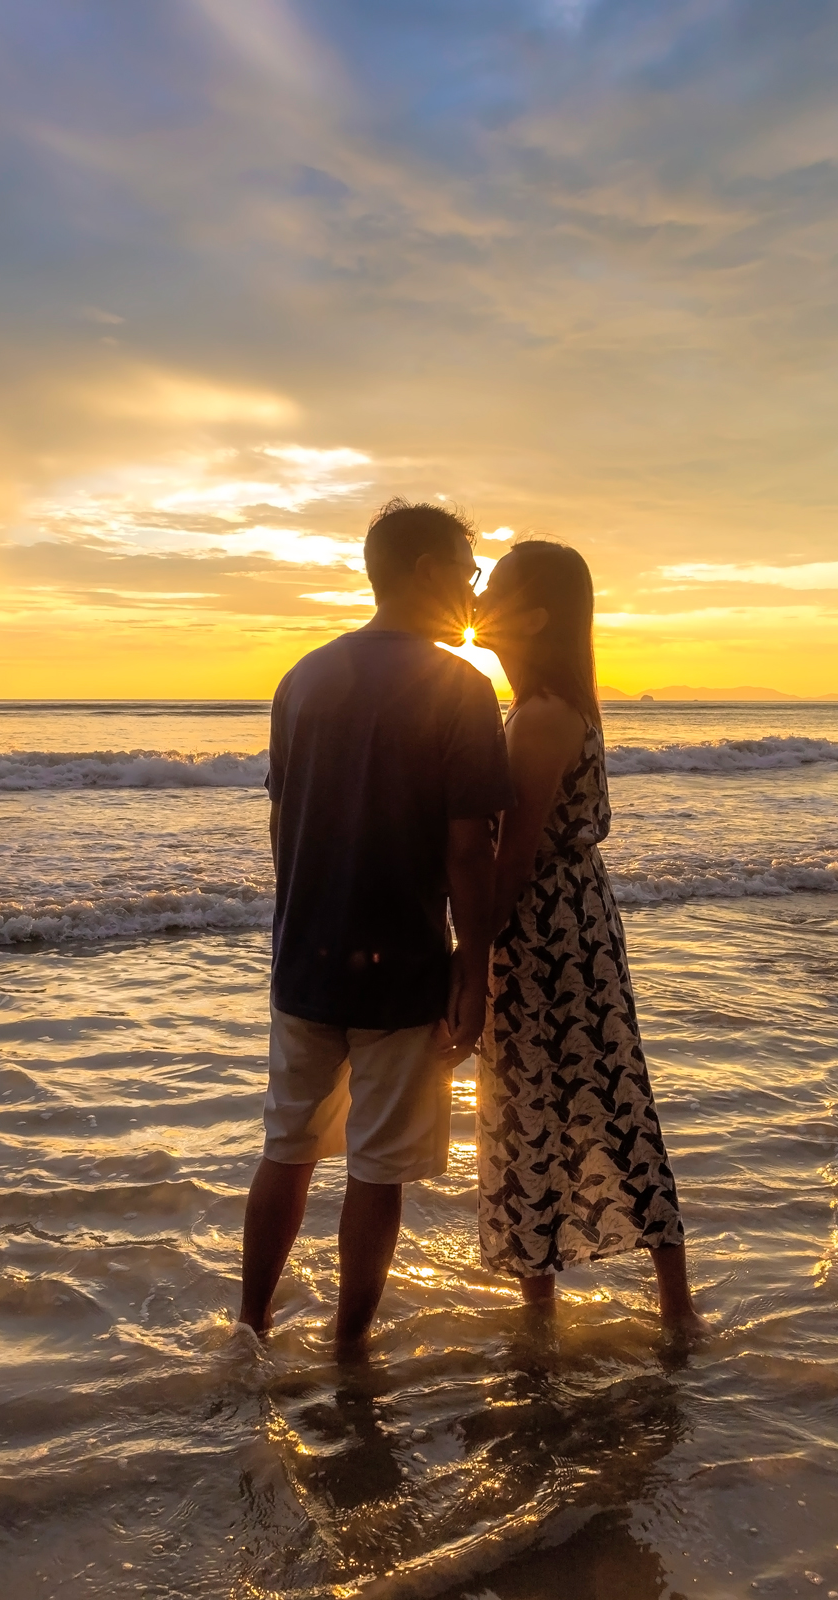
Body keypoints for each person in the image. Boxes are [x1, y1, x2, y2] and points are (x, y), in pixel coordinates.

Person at [235, 499, 513, 1358]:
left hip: (305, 958)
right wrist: (477, 962)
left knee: (287, 1147)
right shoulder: (459, 690)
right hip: (402, 965)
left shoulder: (302, 679)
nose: (471, 586)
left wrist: (297, 925)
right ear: (426, 569)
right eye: (465, 570)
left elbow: (284, 826)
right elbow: (467, 849)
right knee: (378, 1168)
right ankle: (348, 1346)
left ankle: (249, 1328)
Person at [469, 540, 700, 1340]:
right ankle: (655, 1312)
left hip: (549, 933)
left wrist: (471, 963)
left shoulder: (539, 718)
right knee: (591, 1095)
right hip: (575, 922)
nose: (478, 600)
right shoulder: (545, 705)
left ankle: (639, 1315)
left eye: (495, 589)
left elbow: (513, 860)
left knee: (559, 1097)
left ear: (534, 615)